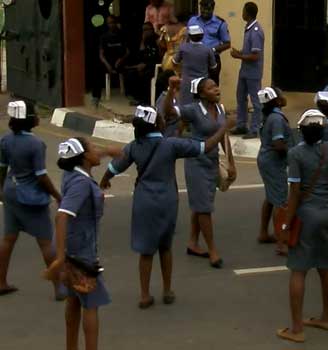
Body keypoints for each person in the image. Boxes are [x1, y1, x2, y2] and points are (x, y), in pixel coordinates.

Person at [100, 106, 230, 308]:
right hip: (167, 201)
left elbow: (113, 167)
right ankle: (167, 290)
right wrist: (224, 128)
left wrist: (104, 181)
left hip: (143, 201)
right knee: (165, 247)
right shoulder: (170, 145)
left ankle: (144, 294)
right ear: (157, 124)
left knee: (146, 251)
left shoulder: (135, 146)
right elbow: (206, 146)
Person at [276, 109, 328, 343]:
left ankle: (296, 328)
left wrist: (285, 226)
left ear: (301, 131)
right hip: (327, 212)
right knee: (326, 267)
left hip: (305, 216)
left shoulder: (296, 154)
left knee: (299, 270)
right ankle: (327, 317)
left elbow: (294, 193)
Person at [43, 137, 114, 350]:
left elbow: (90, 156)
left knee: (73, 300)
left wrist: (109, 151)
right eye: (93, 148)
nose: (97, 150)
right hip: (80, 254)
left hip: (72, 248)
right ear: (84, 157)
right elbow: (62, 216)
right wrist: (62, 258)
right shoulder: (82, 184)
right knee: (91, 304)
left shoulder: (72, 174)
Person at [163, 76, 236, 268]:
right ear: (201, 94)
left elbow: (223, 137)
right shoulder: (193, 110)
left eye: (216, 86)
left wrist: (231, 163)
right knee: (204, 207)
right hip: (196, 163)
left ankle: (193, 243)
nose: (217, 89)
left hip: (212, 162)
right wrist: (171, 89)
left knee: (200, 203)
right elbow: (169, 112)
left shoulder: (219, 109)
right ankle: (212, 250)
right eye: (212, 88)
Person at [0, 101, 62, 298]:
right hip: (30, 197)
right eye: (34, 114)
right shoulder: (36, 144)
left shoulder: (6, 140)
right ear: (30, 120)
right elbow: (41, 176)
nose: (37, 116)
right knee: (45, 242)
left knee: (8, 239)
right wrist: (57, 195)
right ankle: (59, 287)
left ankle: (1, 282)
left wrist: (1, 190)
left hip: (10, 191)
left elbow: (2, 168)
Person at [256, 87, 292, 252]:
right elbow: (279, 144)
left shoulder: (269, 116)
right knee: (281, 201)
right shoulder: (277, 119)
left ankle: (264, 233)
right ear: (277, 100)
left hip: (265, 159)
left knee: (271, 197)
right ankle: (281, 241)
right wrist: (293, 154)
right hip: (274, 162)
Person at [231, 2, 265, 139]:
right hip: (245, 70)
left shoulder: (256, 31)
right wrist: (240, 52)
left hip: (253, 72)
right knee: (241, 97)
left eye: (243, 11)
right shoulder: (248, 29)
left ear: (248, 13)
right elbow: (249, 51)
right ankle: (241, 125)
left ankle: (255, 128)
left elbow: (256, 55)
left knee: (255, 101)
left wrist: (238, 56)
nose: (242, 13)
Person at [188, 0, 232, 85]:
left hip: (211, 59)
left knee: (211, 86)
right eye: (203, 9)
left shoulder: (220, 23)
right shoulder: (193, 21)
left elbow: (227, 43)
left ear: (213, 9)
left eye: (208, 9)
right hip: (195, 58)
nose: (205, 11)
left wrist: (213, 50)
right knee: (195, 86)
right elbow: (187, 38)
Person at [172, 25, 218, 105]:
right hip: (202, 83)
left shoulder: (183, 48)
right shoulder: (207, 49)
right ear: (202, 36)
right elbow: (213, 67)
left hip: (187, 82)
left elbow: (175, 62)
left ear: (189, 36)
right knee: (201, 105)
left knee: (186, 105)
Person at [92, 15, 130, 104]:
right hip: (108, 62)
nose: (111, 25)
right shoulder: (104, 37)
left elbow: (128, 52)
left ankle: (130, 95)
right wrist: (107, 65)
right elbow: (101, 55)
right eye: (109, 23)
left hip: (121, 61)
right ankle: (96, 97)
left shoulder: (122, 35)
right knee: (97, 69)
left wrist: (121, 59)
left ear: (116, 23)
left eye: (113, 22)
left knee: (131, 70)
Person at [124, 22, 161, 106]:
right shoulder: (145, 40)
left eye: (147, 29)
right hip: (145, 64)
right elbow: (140, 55)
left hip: (155, 65)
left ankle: (145, 100)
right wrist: (143, 41)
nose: (145, 32)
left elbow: (158, 57)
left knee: (146, 75)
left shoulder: (157, 39)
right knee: (131, 73)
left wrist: (146, 65)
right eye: (144, 30)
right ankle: (136, 98)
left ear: (152, 29)